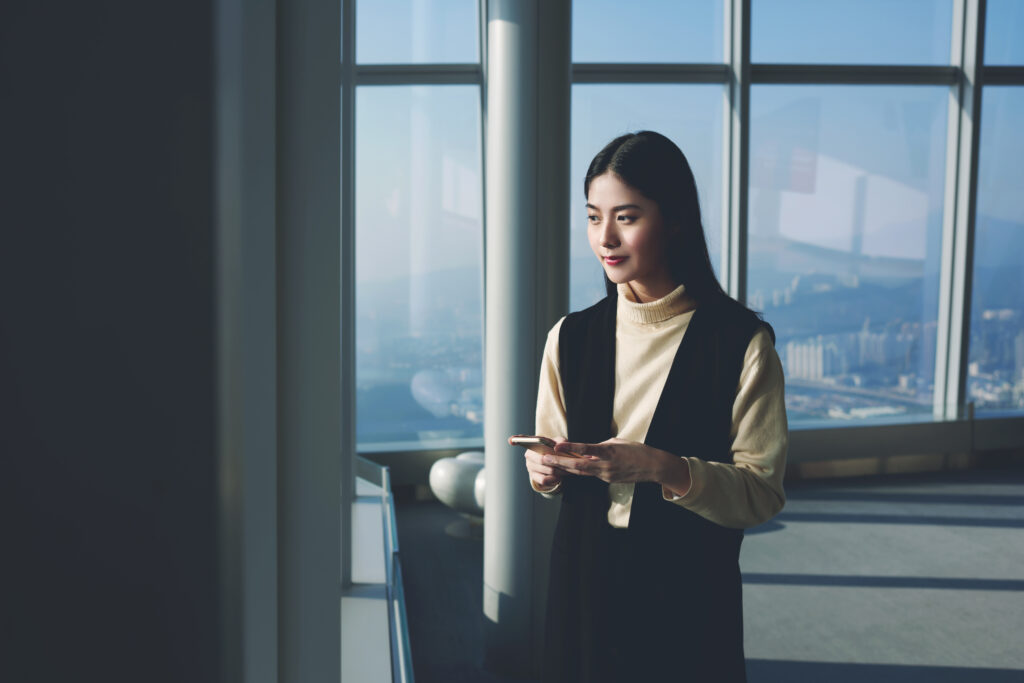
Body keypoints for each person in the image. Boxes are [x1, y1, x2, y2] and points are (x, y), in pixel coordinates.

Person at [508, 131, 788, 682]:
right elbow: (551, 457)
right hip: (583, 580)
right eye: (593, 217)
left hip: (686, 591)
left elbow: (760, 493)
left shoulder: (739, 343)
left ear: (676, 219)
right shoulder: (570, 336)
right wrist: (543, 469)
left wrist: (660, 468)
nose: (605, 238)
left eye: (626, 217)